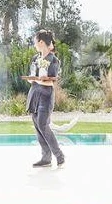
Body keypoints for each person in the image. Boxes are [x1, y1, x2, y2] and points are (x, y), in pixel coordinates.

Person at [24, 30, 65, 168]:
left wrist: (39, 80)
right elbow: (31, 78)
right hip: (34, 94)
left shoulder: (54, 60)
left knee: (43, 124)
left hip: (46, 96)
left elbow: (51, 82)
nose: (34, 45)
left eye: (35, 42)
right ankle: (46, 157)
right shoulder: (36, 59)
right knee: (37, 126)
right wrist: (33, 79)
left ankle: (59, 155)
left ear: (41, 42)